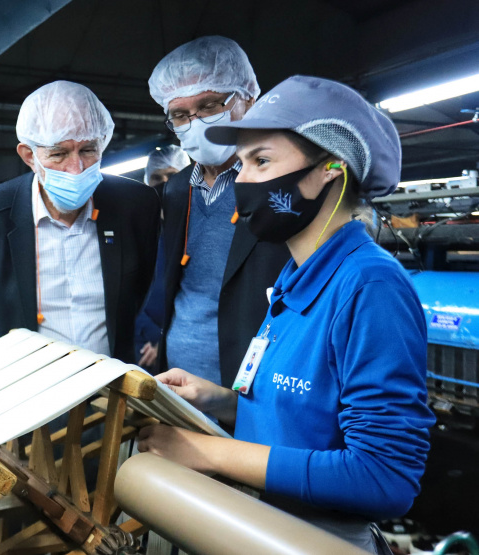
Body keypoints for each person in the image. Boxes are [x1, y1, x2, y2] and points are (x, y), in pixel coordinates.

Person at [137, 76, 435, 553]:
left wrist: (208, 453)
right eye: (241, 163)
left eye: (262, 161)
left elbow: (384, 477)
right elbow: (308, 419)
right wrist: (218, 399)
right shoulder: (295, 281)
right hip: (264, 526)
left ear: (330, 171)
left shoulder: (369, 286)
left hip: (316, 539)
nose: (243, 180)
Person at [0, 81, 159, 362]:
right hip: (24, 387)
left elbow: (139, 293)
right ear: (29, 155)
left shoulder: (135, 206)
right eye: (59, 154)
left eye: (88, 150)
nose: (75, 169)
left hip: (109, 386)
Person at [148, 36, 291, 386]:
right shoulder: (177, 189)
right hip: (178, 382)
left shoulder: (279, 182)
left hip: (254, 384)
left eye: (209, 106)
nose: (194, 123)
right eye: (180, 115)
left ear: (249, 99)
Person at [135, 145, 190, 368]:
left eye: (172, 176)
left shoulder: (192, 230)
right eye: (157, 177)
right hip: (140, 341)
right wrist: (151, 333)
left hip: (180, 341)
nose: (165, 183)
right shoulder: (139, 230)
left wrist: (165, 338)